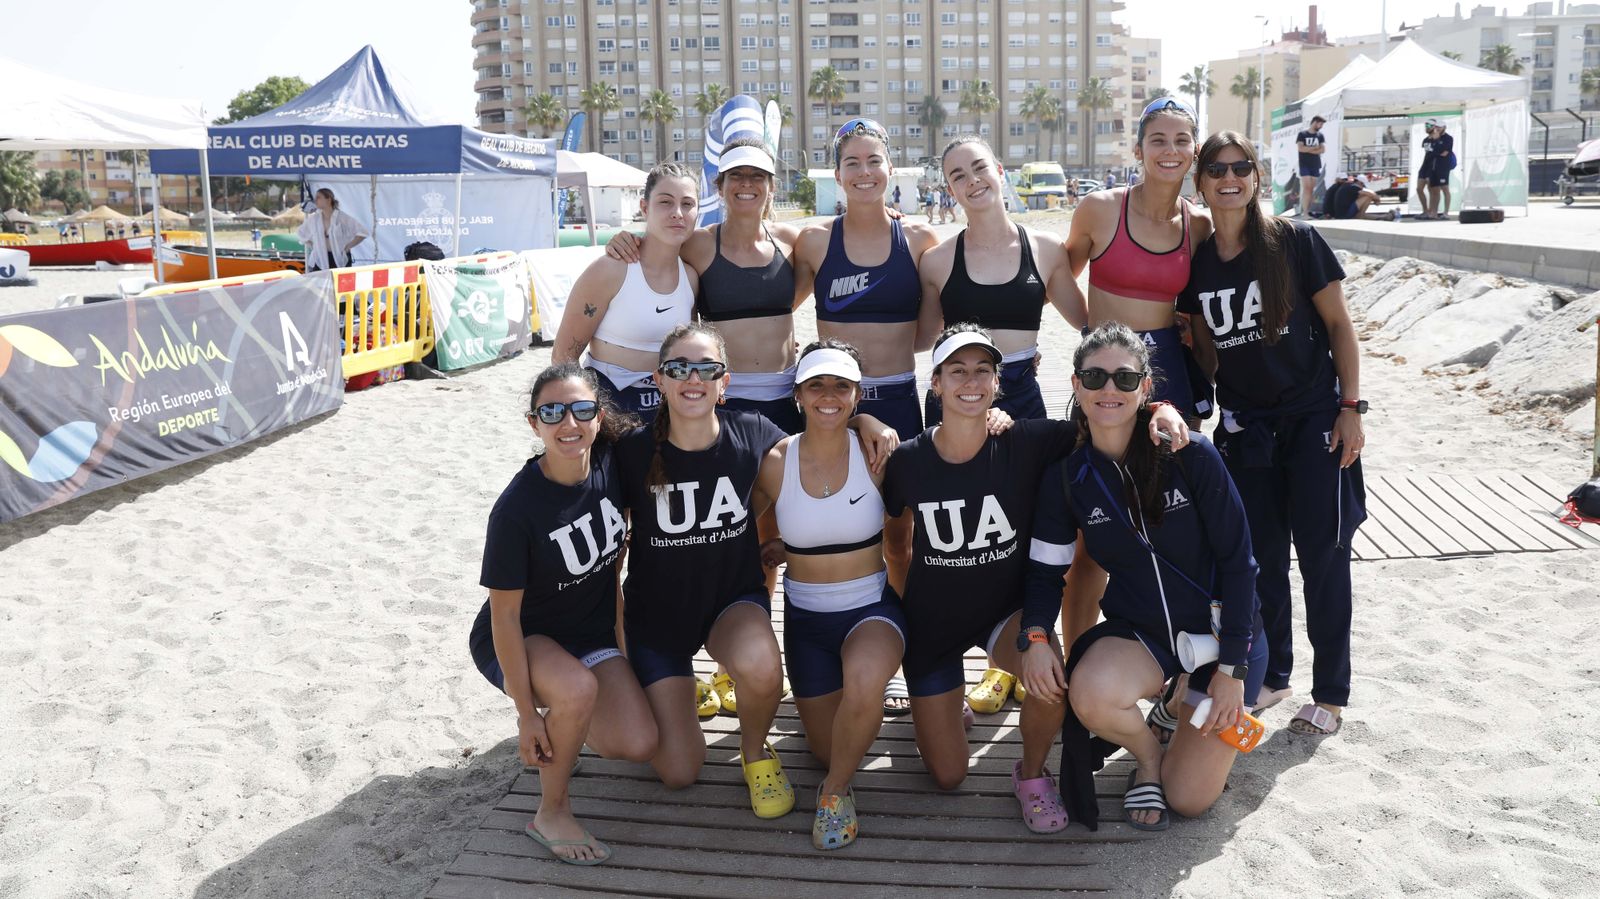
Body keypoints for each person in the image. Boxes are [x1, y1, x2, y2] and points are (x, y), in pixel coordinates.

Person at [881, 325, 1189, 829]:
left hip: (1006, 613)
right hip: (932, 627)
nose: (971, 381)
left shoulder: (1024, 440)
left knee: (1050, 685)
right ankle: (941, 702)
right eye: (956, 370)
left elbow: (1105, 417)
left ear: (998, 382)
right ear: (935, 383)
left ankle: (1029, 774)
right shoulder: (908, 461)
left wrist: (1162, 409)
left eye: (983, 370)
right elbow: (897, 545)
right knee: (949, 776)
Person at [613, 322, 898, 816]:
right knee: (680, 772)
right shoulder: (632, 452)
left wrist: (864, 422)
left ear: (726, 382)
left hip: (730, 602)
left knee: (765, 667)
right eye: (679, 368)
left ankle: (753, 752)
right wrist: (616, 639)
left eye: (707, 368)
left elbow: (819, 433)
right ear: (659, 380)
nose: (693, 378)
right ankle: (670, 690)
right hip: (656, 619)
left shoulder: (752, 433)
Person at [1023, 322, 1269, 832]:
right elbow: (1046, 572)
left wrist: (1232, 672)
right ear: (1074, 386)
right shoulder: (1068, 477)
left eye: (1124, 378)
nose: (1108, 389)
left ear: (1146, 387)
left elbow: (1240, 563)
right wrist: (1036, 636)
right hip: (1146, 634)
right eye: (1094, 377)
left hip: (1227, 638)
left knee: (1189, 800)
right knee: (1088, 694)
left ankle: (1184, 703)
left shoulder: (1189, 453)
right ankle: (1149, 757)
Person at [603, 139, 804, 712]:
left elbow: (798, 289)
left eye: (758, 177)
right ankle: (708, 662)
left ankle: (745, 652)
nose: (747, 185)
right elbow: (657, 248)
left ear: (771, 187)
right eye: (735, 176)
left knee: (763, 536)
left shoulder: (791, 242)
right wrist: (626, 240)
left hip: (779, 400)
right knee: (678, 521)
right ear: (719, 186)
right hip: (720, 397)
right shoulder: (697, 243)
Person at [1179, 131, 1367, 738]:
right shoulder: (1200, 263)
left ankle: (1331, 695)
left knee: (1323, 557)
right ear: (1200, 181)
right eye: (1216, 170)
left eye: (1240, 168)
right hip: (1246, 431)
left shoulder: (1296, 241)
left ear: (1257, 177)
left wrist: (1351, 408)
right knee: (1260, 563)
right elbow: (1211, 352)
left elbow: (1340, 325)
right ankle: (1277, 672)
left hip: (1314, 420)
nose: (1228, 179)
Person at [468, 363, 659, 865]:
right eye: (552, 412)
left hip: (588, 632)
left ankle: (565, 724)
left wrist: (619, 648)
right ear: (534, 424)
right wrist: (526, 713)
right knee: (576, 689)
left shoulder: (609, 465)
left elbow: (612, 570)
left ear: (599, 417)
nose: (568, 423)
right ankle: (551, 811)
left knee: (638, 741)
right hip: (518, 636)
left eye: (580, 409)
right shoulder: (517, 510)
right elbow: (503, 616)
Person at [1061, 96, 1214, 659]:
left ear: (1193, 150)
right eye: (1158, 140)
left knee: (1175, 528)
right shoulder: (1101, 210)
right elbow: (1058, 274)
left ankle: (1171, 660)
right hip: (1104, 381)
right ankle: (1079, 660)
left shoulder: (1196, 225)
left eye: (1181, 140)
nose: (1169, 150)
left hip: (1168, 378)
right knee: (1090, 539)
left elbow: (1202, 305)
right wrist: (1093, 333)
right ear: (1138, 148)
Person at [754, 339, 907, 850]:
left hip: (871, 609)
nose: (828, 395)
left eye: (841, 385)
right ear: (797, 393)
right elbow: (733, 527)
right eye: (816, 384)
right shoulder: (776, 460)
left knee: (863, 683)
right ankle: (844, 740)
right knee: (828, 747)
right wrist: (775, 544)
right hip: (806, 620)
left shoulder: (877, 452)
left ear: (858, 395)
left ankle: (835, 792)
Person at [793, 117, 941, 593]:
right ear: (836, 174)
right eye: (851, 162)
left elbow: (934, 331)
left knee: (901, 539)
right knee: (833, 528)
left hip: (899, 398)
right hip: (832, 405)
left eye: (873, 161)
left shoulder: (918, 240)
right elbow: (771, 305)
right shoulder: (815, 242)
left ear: (891, 168)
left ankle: (903, 626)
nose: (864, 171)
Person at [919, 135, 1087, 429]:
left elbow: (1085, 322)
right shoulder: (936, 261)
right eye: (959, 176)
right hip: (959, 395)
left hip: (1022, 394)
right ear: (950, 190)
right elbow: (921, 339)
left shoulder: (1045, 249)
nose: (972, 180)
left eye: (979, 168)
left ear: (999, 170)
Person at [553, 162, 700, 422]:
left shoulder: (691, 277)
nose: (678, 212)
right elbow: (563, 357)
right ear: (645, 208)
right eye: (665, 202)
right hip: (611, 407)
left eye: (687, 204)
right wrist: (588, 414)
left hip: (669, 412)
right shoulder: (611, 270)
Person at [297, 188, 369, 272]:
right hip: (320, 258)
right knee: (320, 284)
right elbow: (301, 233)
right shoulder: (314, 218)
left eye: (319, 197)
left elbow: (362, 232)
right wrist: (314, 246)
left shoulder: (342, 217)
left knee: (340, 283)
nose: (315, 200)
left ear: (328, 200)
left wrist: (347, 247)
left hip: (339, 258)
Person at [1418, 120, 1456, 220]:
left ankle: (1445, 212)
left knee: (1444, 188)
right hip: (1432, 167)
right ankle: (1431, 212)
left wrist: (1436, 149)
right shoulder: (1430, 139)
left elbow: (1445, 153)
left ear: (1444, 127)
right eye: (1437, 127)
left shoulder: (1447, 138)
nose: (1438, 128)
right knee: (1431, 189)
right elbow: (1431, 152)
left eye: (1440, 127)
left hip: (1443, 167)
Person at [1296, 115, 1328, 218]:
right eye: (1320, 123)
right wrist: (1314, 148)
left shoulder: (1320, 136)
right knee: (1306, 188)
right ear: (1314, 122)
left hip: (1315, 165)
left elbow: (1322, 150)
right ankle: (1304, 212)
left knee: (1311, 189)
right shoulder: (1302, 134)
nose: (1321, 126)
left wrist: (1308, 149)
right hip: (1304, 165)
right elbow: (1300, 149)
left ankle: (1307, 211)